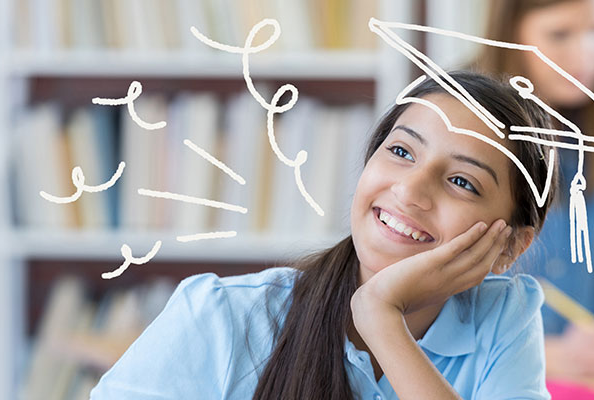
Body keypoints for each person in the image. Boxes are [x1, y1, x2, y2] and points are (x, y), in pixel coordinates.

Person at [89, 71, 561, 399]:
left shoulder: (504, 317)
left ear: (510, 246)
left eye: (462, 181)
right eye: (400, 151)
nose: (410, 190)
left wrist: (381, 318)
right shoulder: (218, 318)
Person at [474, 0, 594, 379]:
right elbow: (426, 309)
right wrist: (545, 353)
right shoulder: (461, 119)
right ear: (511, 30)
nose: (586, 54)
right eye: (560, 34)